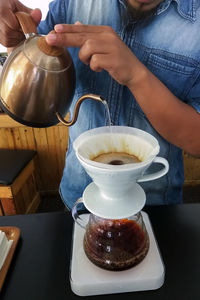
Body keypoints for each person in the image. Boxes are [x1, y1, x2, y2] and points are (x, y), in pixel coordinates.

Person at [0, 0, 200, 210]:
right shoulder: (71, 4)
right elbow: (36, 62)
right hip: (79, 200)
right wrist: (15, 39)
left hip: (155, 208)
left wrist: (137, 76)